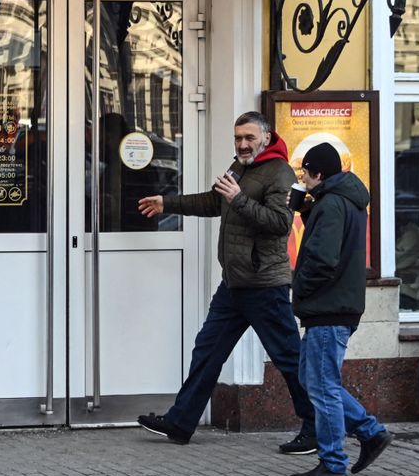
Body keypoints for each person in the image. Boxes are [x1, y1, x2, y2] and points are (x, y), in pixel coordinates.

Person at [135, 111, 316, 453]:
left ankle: (316, 427)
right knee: (207, 351)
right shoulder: (240, 168)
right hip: (234, 284)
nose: (243, 144)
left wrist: (239, 199)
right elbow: (213, 201)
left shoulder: (280, 172)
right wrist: (168, 203)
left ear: (266, 137)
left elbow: (279, 223)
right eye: (238, 138)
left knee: (289, 360)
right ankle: (181, 421)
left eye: (249, 138)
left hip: (265, 285)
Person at [288, 142, 391, 476]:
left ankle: (333, 463)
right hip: (335, 306)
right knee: (312, 380)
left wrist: (298, 286)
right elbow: (331, 240)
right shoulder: (342, 200)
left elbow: (322, 258)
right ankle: (370, 431)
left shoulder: (331, 205)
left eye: (305, 172)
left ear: (318, 174)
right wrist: (305, 210)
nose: (302, 177)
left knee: (323, 388)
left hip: (328, 308)